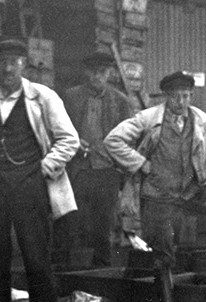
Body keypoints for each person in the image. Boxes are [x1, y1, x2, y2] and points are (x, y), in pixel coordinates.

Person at [0, 38, 79, 302]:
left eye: (13, 62)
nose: (7, 69)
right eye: (2, 62)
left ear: (23, 65)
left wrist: (44, 169)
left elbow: (69, 139)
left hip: (29, 187)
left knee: (36, 257)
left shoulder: (42, 97)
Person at [105, 71, 206, 294]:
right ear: (166, 96)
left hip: (192, 191)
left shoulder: (200, 119)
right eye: (176, 96)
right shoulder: (149, 118)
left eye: (186, 96)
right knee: (164, 255)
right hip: (159, 196)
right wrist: (141, 163)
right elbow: (113, 140)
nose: (181, 102)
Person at [56, 51, 137, 268]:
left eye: (102, 72)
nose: (97, 76)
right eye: (93, 72)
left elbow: (129, 140)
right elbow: (58, 130)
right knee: (72, 223)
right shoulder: (70, 97)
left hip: (107, 172)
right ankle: (70, 273)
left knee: (103, 226)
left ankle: (102, 272)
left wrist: (126, 178)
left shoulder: (120, 102)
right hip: (78, 170)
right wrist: (74, 142)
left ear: (110, 73)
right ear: (86, 72)